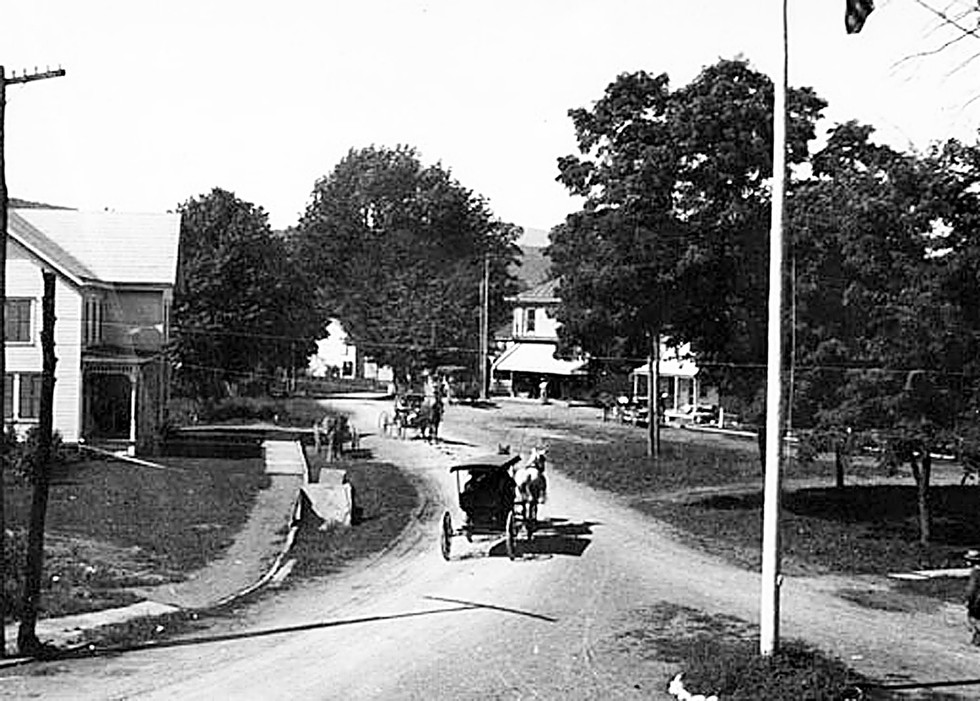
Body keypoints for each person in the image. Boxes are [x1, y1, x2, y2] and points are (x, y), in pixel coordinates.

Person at [966, 549, 980, 645]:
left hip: (978, 600)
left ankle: (977, 639)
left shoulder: (975, 572)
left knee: (974, 618)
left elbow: (972, 589)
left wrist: (969, 601)